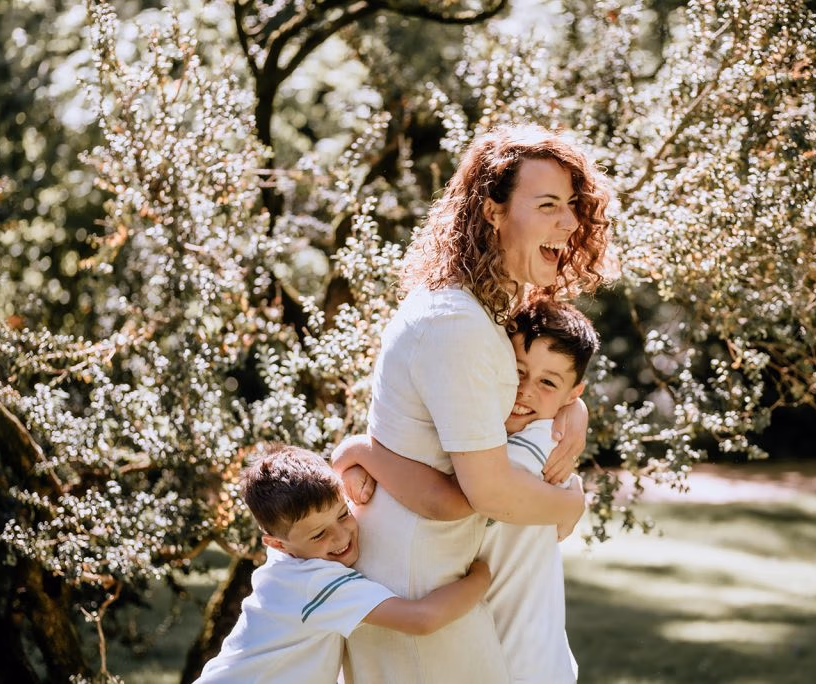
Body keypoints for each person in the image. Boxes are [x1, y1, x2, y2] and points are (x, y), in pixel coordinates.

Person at [339, 123, 613, 684]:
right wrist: (570, 505)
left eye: (572, 206)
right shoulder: (456, 323)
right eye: (548, 205)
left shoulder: (486, 312)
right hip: (416, 582)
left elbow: (535, 384)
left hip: (448, 578)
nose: (568, 223)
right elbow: (486, 489)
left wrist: (571, 411)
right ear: (492, 211)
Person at [333, 296, 600, 683]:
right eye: (517, 371)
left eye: (547, 382)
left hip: (520, 661)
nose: (524, 390)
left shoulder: (536, 442)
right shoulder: (512, 432)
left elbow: (458, 499)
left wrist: (360, 452)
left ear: (573, 393)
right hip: (523, 654)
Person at [194, 445, 492, 684]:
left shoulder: (286, 564)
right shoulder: (315, 582)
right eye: (319, 534)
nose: (340, 536)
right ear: (277, 544)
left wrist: (352, 467)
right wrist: (480, 577)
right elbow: (421, 619)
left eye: (343, 514)